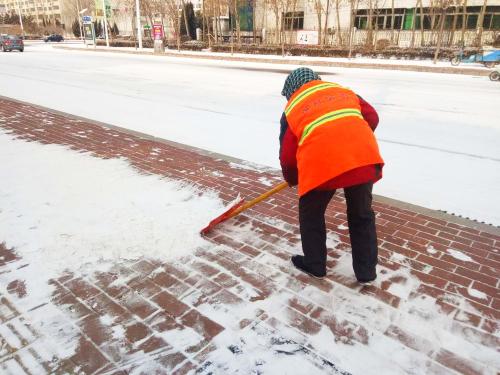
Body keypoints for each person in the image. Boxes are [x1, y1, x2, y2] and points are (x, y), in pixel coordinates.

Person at [279, 67, 384, 283]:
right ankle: (366, 273)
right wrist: (352, 137)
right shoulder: (342, 91)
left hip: (322, 164)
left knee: (311, 213)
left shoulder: (292, 108)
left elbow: (289, 157)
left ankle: (315, 264)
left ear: (291, 90)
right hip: (361, 157)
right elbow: (372, 116)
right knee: (361, 214)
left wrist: (292, 178)